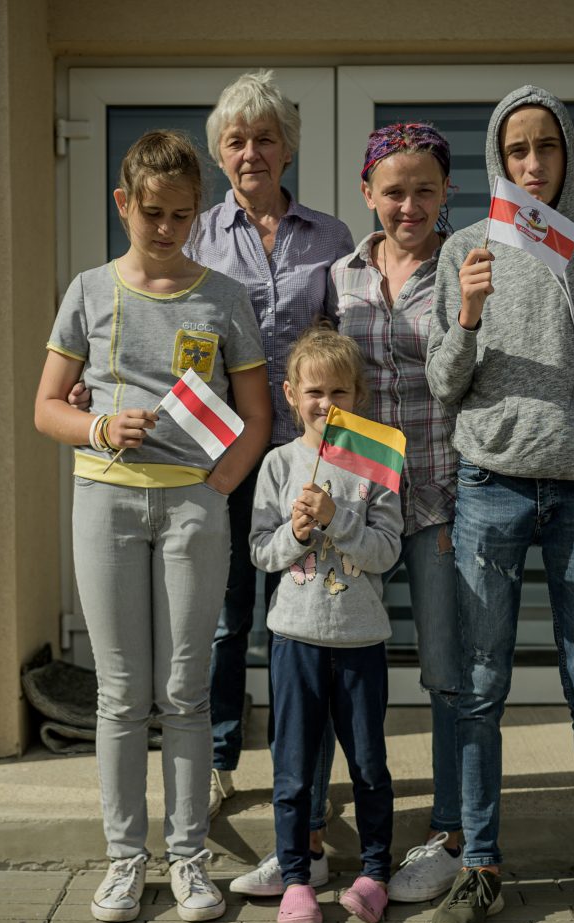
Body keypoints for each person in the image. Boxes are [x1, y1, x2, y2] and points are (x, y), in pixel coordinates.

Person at [329, 123, 574, 903]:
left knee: (453, 675)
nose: (410, 205)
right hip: (357, 497)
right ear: (368, 194)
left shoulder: (485, 255)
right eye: (394, 192)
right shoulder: (342, 277)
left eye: (425, 190)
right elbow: (313, 373)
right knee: (336, 661)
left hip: (443, 491)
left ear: (448, 192)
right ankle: (322, 834)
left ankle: (453, 834)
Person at [424, 86, 574, 923]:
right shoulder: (464, 250)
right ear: (498, 157)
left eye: (546, 147)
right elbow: (443, 382)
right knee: (481, 685)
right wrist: (469, 313)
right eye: (516, 149)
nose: (531, 164)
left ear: (569, 157)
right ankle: (481, 868)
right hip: (489, 488)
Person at [34, 129, 271, 923]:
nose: (166, 228)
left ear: (198, 211)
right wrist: (99, 427)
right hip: (105, 503)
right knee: (122, 693)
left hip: (193, 508)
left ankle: (190, 860)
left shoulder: (224, 296)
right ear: (122, 204)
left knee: (185, 690)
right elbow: (46, 407)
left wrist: (219, 486)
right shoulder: (88, 291)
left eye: (180, 214)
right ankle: (125, 862)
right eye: (151, 213)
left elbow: (256, 415)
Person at [190, 71, 355, 834]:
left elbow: (350, 346)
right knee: (227, 617)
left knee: (303, 619)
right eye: (237, 140)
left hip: (308, 458)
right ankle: (220, 760)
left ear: (288, 148)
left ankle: (304, 772)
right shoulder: (196, 235)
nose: (251, 151)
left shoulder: (331, 238)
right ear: (219, 153)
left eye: (265, 138)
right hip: (224, 455)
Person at [246, 326, 402, 923]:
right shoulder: (279, 464)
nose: (326, 403)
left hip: (360, 642)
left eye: (339, 391)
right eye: (314, 391)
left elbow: (386, 552)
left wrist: (337, 519)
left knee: (369, 766)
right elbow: (261, 550)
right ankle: (296, 878)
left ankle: (374, 874)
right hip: (296, 639)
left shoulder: (375, 464)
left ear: (358, 394)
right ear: (291, 394)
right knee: (293, 768)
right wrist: (297, 533)